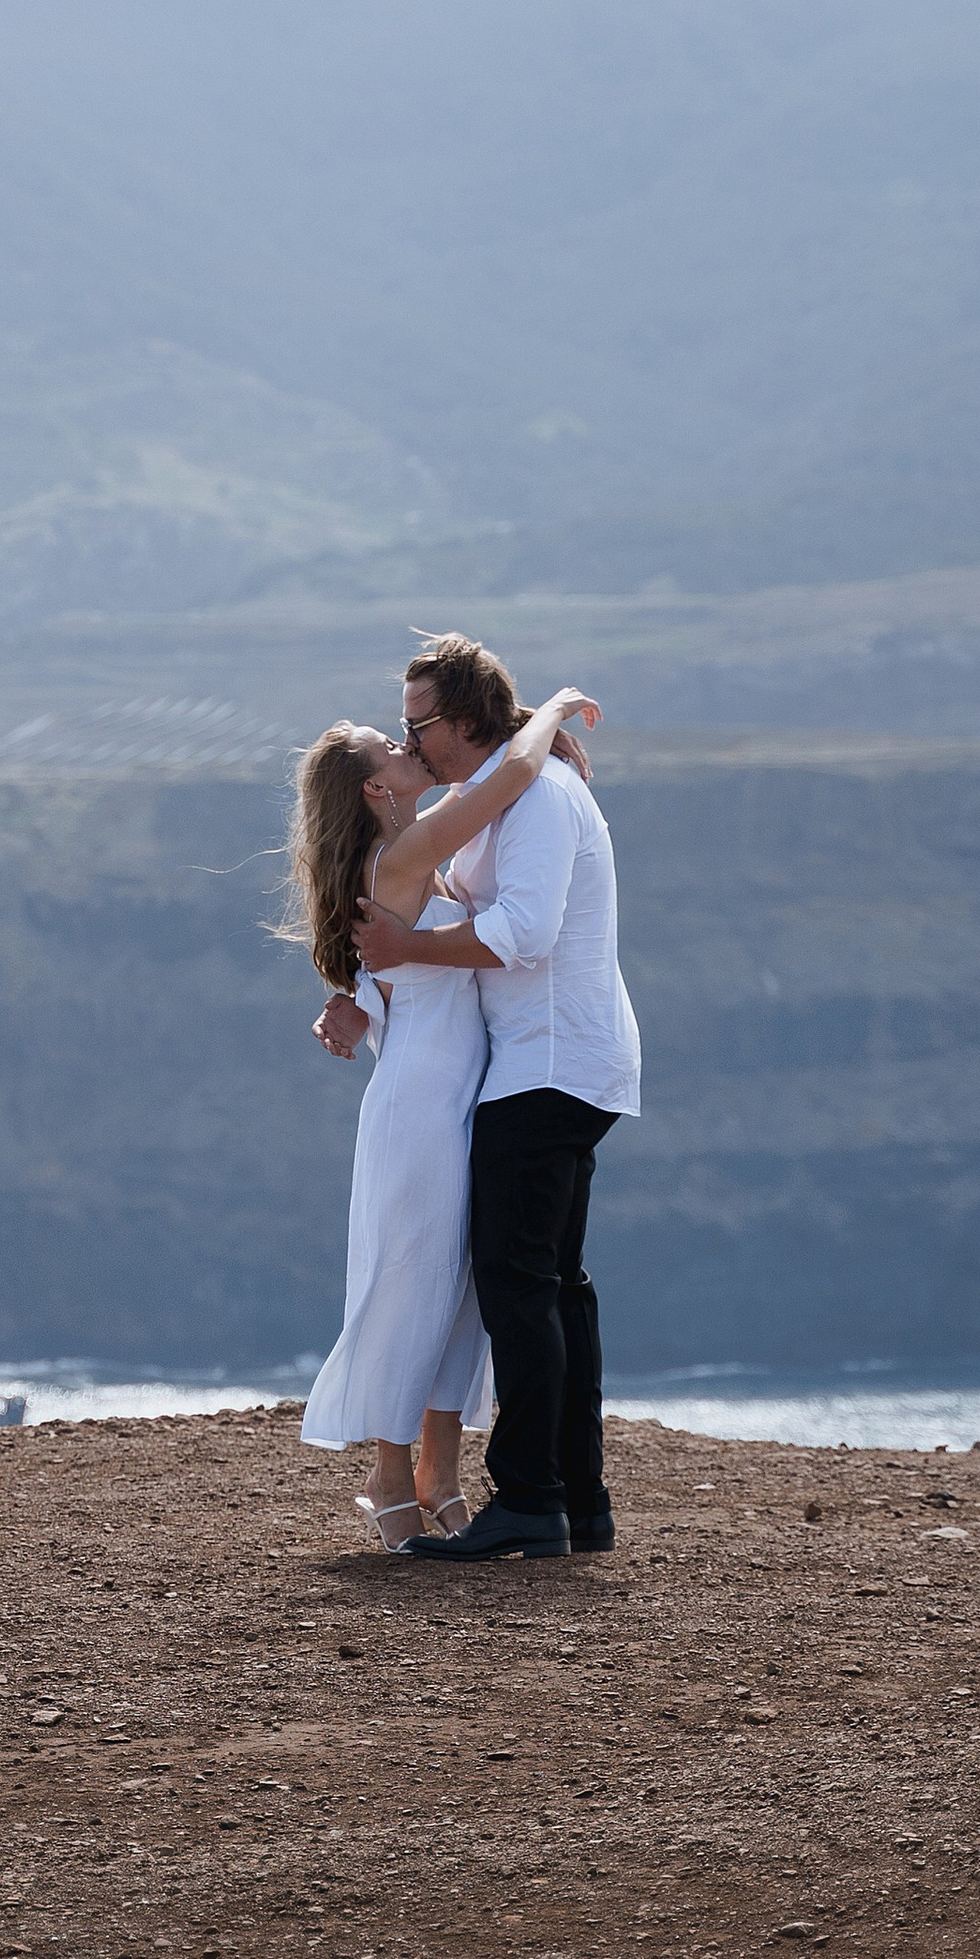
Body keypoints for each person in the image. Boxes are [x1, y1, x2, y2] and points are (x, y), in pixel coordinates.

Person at [284, 684, 601, 1551]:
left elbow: (405, 978)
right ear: (374, 791)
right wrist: (551, 711)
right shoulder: (407, 853)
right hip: (424, 1105)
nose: (407, 747)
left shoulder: (410, 854)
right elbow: (513, 775)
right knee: (414, 1283)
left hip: (461, 1094)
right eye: (391, 746)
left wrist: (356, 1003)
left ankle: (439, 1476)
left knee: (460, 1289)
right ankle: (391, 1480)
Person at [353, 632, 641, 1562]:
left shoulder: (541, 800)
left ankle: (529, 1499)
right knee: (556, 1287)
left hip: (547, 1064)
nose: (412, 741)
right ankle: (576, 1499)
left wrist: (406, 953)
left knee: (521, 1285)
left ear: (467, 720)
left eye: (419, 724)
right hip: (548, 1061)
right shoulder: (503, 800)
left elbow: (523, 931)